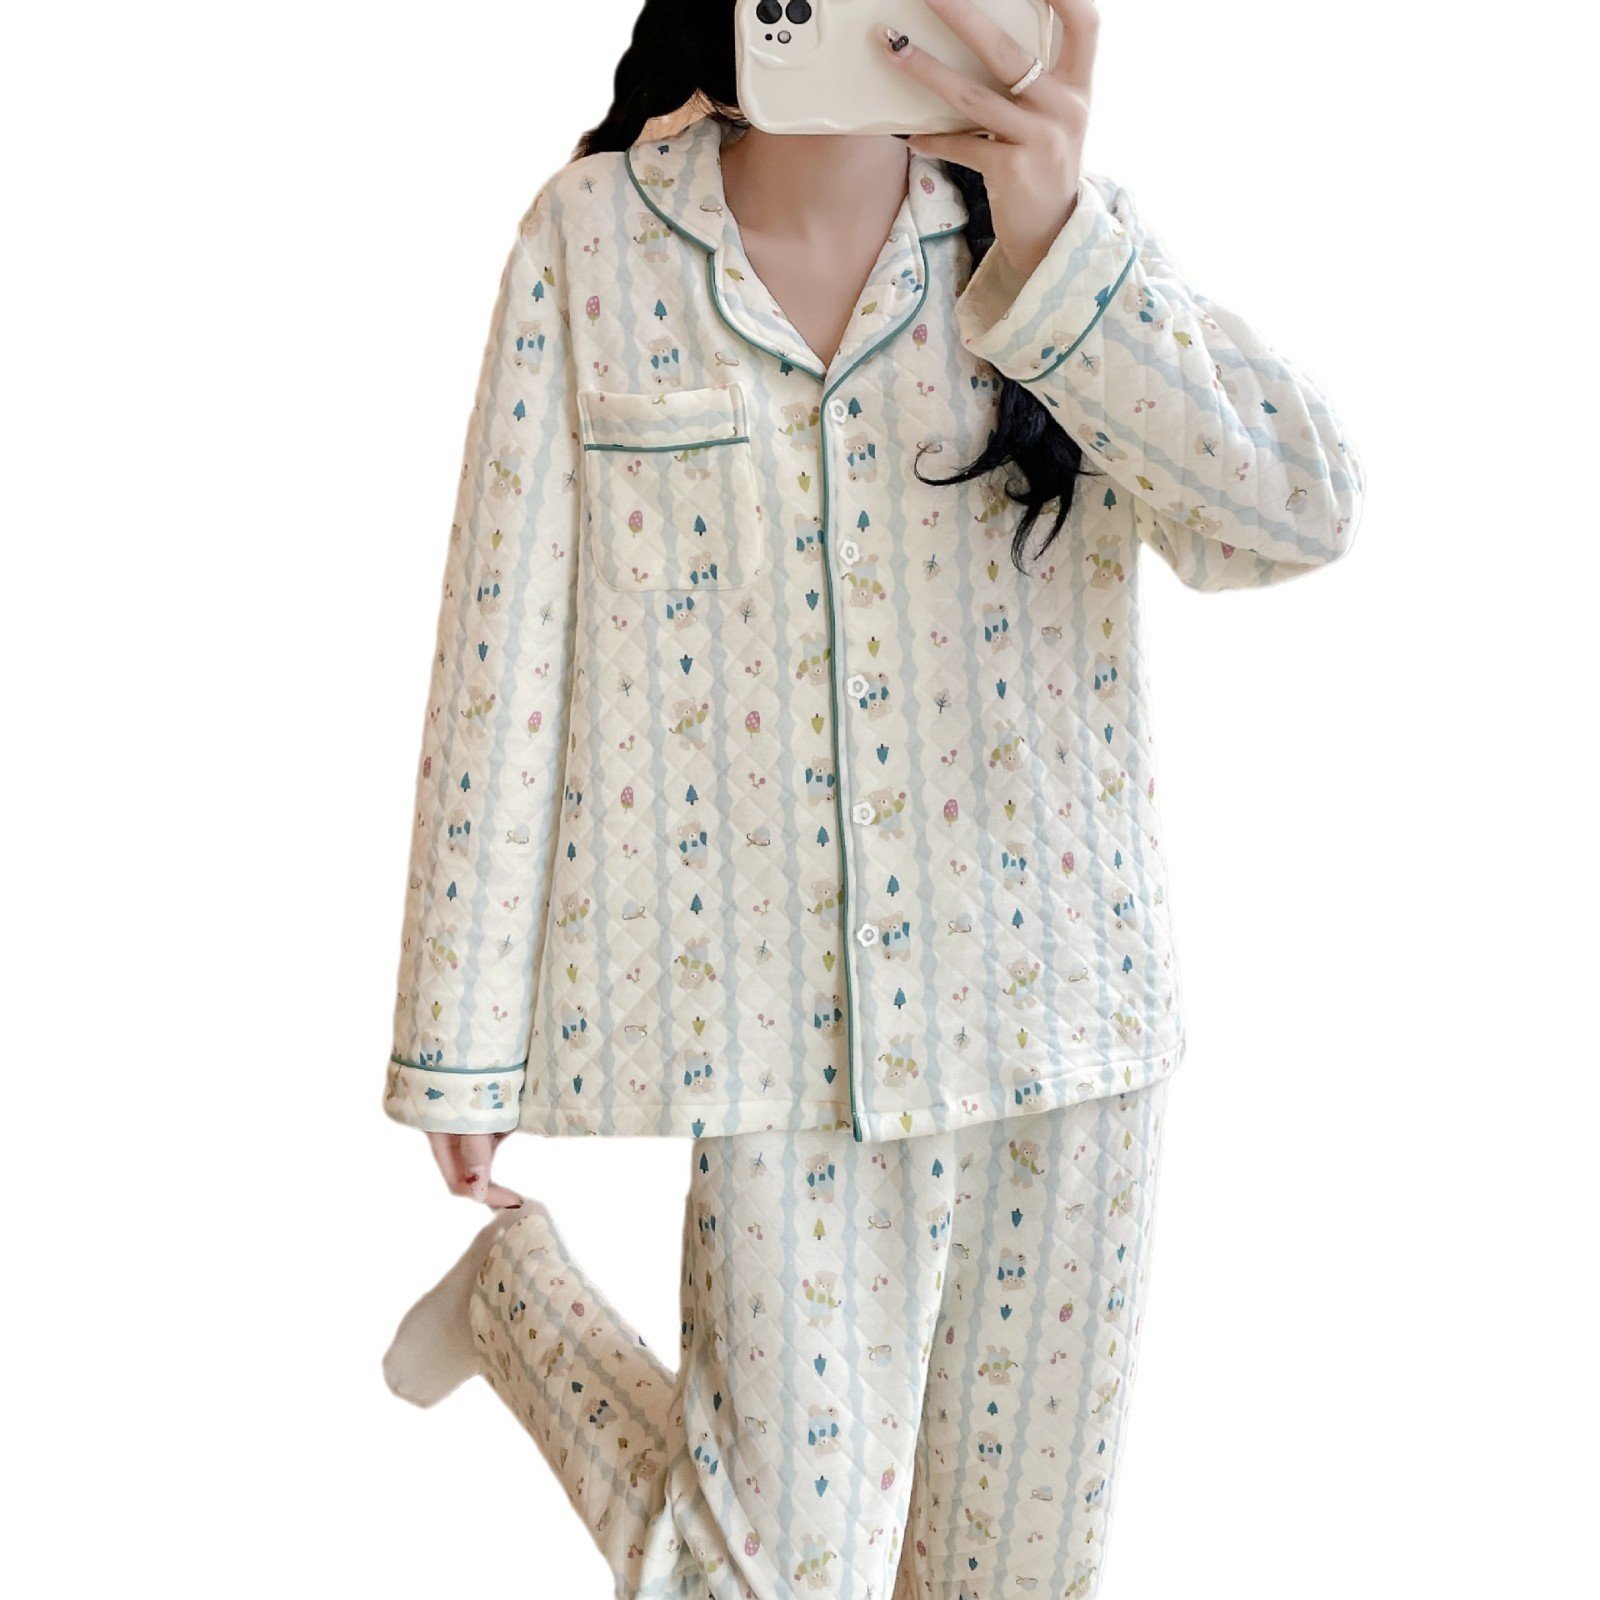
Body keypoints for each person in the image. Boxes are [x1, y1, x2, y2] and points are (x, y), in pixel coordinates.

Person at [380, 2, 1365, 1595]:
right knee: (755, 1578)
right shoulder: (592, 241)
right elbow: (505, 639)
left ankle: (511, 1312)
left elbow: (1300, 513)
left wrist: (1062, 249)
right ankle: (524, 1307)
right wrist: (461, 1033)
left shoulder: (1046, 238)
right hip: (778, 1047)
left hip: (1065, 1027)